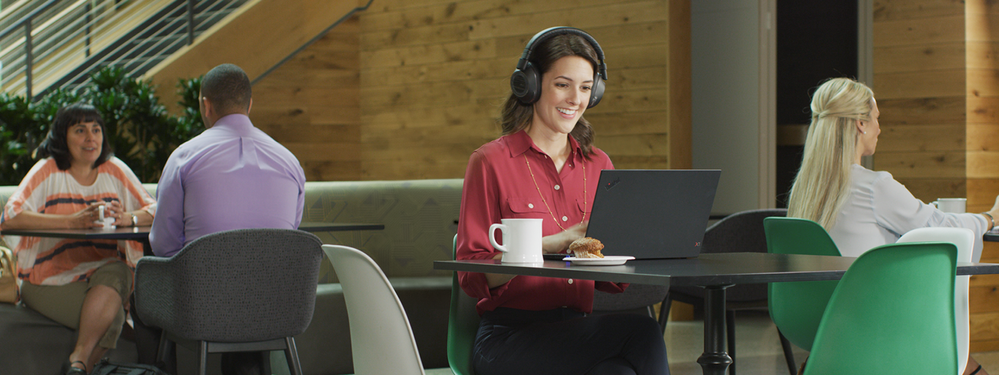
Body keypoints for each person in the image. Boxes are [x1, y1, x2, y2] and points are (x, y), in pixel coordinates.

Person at [456, 27, 669, 375]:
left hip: (576, 330)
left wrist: (634, 239)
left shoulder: (599, 164)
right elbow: (471, 274)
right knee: (642, 332)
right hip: (509, 336)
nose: (575, 99)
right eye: (562, 85)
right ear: (532, 85)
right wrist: (556, 242)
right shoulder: (490, 162)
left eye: (586, 88)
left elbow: (615, 283)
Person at [787, 77, 997, 375]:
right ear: (860, 124)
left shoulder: (805, 190)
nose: (879, 128)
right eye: (876, 119)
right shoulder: (875, 186)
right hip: (874, 319)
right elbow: (942, 224)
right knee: (943, 331)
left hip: (820, 320)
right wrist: (991, 216)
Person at [149, 63, 306, 374]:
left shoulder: (185, 157)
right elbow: (288, 238)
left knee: (143, 292)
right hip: (279, 307)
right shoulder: (290, 162)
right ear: (249, 104)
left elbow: (164, 246)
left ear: (206, 106)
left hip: (202, 308)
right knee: (254, 287)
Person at [1, 103, 157, 375]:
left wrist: (127, 218)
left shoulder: (114, 170)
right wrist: (71, 221)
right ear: (63, 136)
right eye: (80, 130)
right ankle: (81, 365)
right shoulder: (48, 170)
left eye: (96, 130)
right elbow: (10, 216)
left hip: (101, 275)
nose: (91, 138)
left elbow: (156, 210)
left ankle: (76, 365)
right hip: (45, 278)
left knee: (118, 268)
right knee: (114, 316)